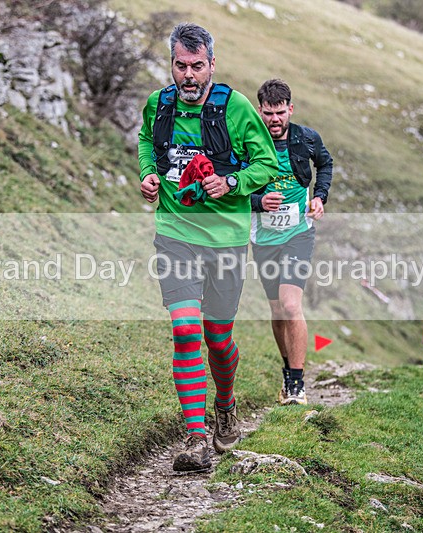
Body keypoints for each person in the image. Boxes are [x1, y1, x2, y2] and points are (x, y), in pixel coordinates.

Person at [137, 23, 277, 472]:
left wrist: (232, 181)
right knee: (183, 330)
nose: (189, 75)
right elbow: (146, 142)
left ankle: (226, 403)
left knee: (217, 338)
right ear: (172, 65)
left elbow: (267, 163)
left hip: (228, 242)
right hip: (175, 235)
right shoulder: (158, 105)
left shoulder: (235, 109)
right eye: (181, 66)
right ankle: (197, 437)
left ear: (212, 64)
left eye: (198, 66)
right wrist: (148, 174)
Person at [249, 79, 333, 406]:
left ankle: (297, 387)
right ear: (260, 111)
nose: (274, 119)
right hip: (264, 237)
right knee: (276, 310)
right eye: (268, 113)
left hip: (299, 231)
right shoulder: (248, 143)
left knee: (291, 305)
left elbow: (325, 164)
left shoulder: (307, 138)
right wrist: (258, 201)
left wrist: (320, 197)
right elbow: (234, 187)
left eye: (280, 113)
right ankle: (288, 371)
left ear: (290, 110)